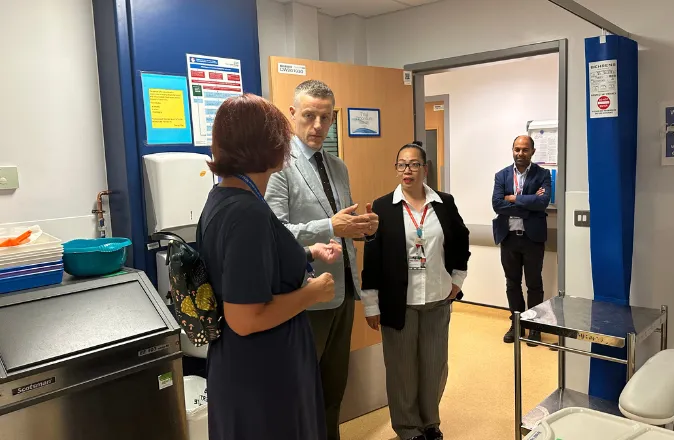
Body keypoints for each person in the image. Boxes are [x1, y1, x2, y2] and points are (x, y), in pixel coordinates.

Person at [198, 93, 342, 440]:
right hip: (263, 372)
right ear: (272, 147)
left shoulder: (223, 199)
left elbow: (249, 267)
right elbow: (245, 318)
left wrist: (306, 253)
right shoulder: (248, 213)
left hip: (243, 366)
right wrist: (312, 292)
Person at [266, 79, 379, 440]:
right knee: (301, 393)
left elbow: (342, 227)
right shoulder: (278, 166)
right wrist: (331, 224)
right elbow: (276, 233)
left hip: (343, 293)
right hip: (305, 295)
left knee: (334, 390)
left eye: (326, 118)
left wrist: (364, 228)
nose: (317, 126)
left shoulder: (338, 166)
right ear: (293, 114)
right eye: (310, 115)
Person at [361, 142, 470, 440]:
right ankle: (408, 428)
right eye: (401, 164)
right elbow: (372, 258)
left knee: (434, 366)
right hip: (399, 302)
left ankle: (430, 422)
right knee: (401, 369)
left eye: (413, 164)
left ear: (425, 168)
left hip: (437, 297)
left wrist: (457, 279)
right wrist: (371, 304)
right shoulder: (383, 206)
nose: (407, 170)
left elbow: (461, 241)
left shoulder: (444, 203)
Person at [492, 135, 552, 345]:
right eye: (517, 149)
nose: (520, 153)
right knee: (512, 283)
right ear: (512, 150)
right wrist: (528, 206)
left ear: (532, 152)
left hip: (532, 239)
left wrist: (515, 198)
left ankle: (535, 326)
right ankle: (517, 323)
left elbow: (542, 202)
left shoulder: (542, 175)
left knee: (534, 284)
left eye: (525, 150)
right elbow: (497, 205)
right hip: (508, 237)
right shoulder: (502, 175)